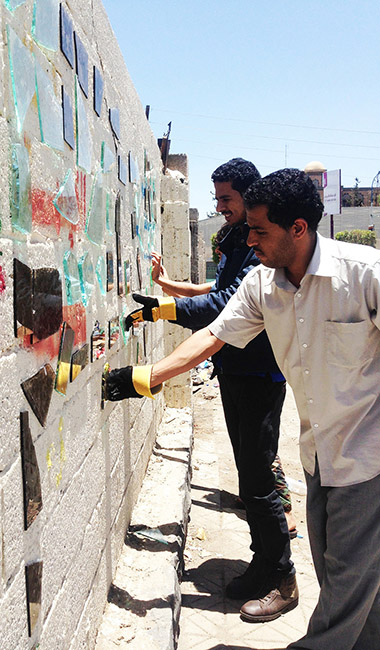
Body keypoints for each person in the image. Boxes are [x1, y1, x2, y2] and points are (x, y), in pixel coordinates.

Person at [106, 168, 380, 647]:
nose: (248, 239)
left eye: (259, 230)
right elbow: (212, 336)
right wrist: (146, 377)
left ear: (298, 228)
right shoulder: (263, 285)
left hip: (369, 460)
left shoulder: (363, 275)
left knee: (342, 588)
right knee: (356, 582)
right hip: (318, 457)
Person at [108, 158, 298, 611]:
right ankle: (264, 562)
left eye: (227, 199)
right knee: (250, 477)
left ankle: (283, 577)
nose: (221, 207)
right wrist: (166, 296)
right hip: (236, 371)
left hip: (258, 373)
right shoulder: (238, 239)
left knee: (259, 481)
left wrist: (161, 313)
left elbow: (222, 310)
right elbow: (217, 294)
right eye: (217, 199)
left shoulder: (258, 247)